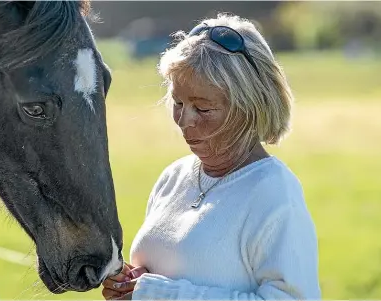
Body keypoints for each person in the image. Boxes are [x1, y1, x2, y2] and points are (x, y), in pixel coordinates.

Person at [102, 13, 321, 300]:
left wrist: (156, 294)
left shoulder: (274, 193)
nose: (184, 120)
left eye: (203, 109)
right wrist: (131, 285)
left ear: (251, 107)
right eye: (178, 102)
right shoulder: (173, 177)